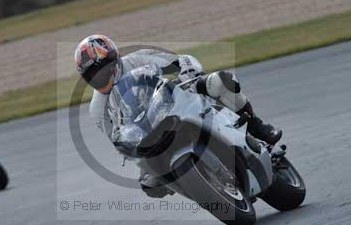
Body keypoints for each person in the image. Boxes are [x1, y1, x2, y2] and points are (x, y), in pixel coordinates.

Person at [75, 35, 282, 198]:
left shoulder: (138, 58)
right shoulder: (97, 109)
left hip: (174, 98)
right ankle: (192, 184)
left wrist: (187, 71)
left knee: (220, 81)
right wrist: (130, 148)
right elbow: (117, 138)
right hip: (148, 132)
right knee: (150, 183)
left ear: (115, 59)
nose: (100, 78)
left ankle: (256, 126)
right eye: (93, 76)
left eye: (103, 70)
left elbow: (179, 60)